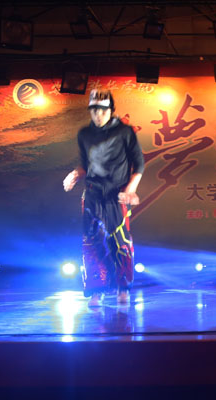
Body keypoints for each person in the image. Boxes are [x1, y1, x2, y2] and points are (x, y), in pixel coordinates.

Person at [63, 89, 144, 306]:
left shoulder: (125, 132)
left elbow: (139, 164)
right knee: (91, 242)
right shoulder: (84, 134)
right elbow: (85, 164)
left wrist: (131, 188)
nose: (98, 114)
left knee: (119, 241)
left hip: (116, 196)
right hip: (92, 194)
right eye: (94, 110)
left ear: (111, 110)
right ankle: (96, 290)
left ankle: (123, 288)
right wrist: (75, 174)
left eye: (103, 110)